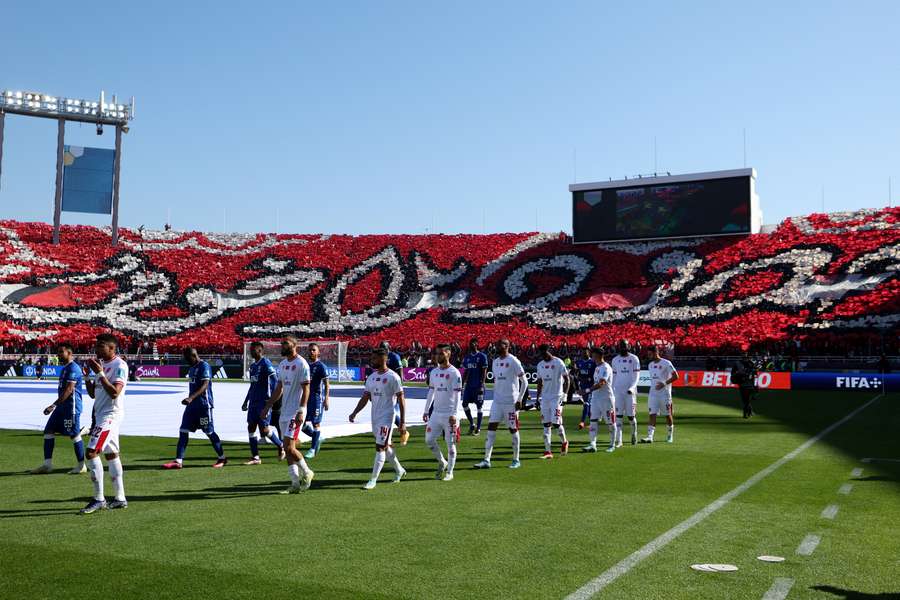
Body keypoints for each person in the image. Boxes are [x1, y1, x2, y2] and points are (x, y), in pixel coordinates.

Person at [80, 334, 129, 513]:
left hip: (111, 415)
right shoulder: (101, 365)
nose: (96, 348)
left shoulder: (119, 365)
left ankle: (99, 498)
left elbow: (115, 392)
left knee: (92, 452)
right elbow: (93, 394)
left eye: (101, 345)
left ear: (112, 348)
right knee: (111, 455)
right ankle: (120, 498)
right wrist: (87, 377)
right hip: (100, 414)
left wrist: (100, 373)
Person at [262, 336, 315, 493]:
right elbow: (279, 388)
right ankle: (295, 483)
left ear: (294, 345)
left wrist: (301, 409)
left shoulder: (301, 364)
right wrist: (268, 406)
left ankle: (307, 472)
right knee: (287, 447)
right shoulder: (283, 364)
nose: (282, 345)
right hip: (284, 411)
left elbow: (306, 388)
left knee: (289, 447)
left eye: (285, 343)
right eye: (282, 343)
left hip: (296, 411)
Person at [349, 347, 407, 490]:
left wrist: (403, 422)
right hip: (374, 416)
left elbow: (401, 399)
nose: (372, 360)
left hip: (387, 416)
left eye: (374, 358)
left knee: (380, 447)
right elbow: (365, 397)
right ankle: (399, 470)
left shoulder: (393, 377)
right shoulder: (371, 377)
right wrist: (355, 412)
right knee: (386, 446)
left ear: (383, 359)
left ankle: (373, 480)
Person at [162, 348, 227, 469]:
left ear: (193, 355)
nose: (186, 361)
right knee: (183, 430)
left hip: (203, 406)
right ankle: (178, 461)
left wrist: (191, 398)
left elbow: (205, 385)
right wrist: (190, 400)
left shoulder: (204, 366)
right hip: (192, 407)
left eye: (187, 359)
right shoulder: (192, 368)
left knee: (209, 432)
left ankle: (222, 457)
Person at [31, 342, 86, 475]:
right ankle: (47, 465)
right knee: (48, 431)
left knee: (74, 435)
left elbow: (68, 390)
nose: (59, 355)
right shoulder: (65, 368)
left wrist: (53, 405)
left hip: (71, 408)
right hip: (62, 407)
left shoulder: (74, 368)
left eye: (61, 352)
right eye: (58, 352)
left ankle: (81, 465)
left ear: (69, 353)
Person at [474, 339, 526, 470]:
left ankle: (516, 459)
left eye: (500, 345)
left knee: (513, 430)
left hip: (510, 402)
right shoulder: (495, 362)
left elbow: (524, 381)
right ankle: (486, 460)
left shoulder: (513, 361)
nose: (496, 347)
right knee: (491, 429)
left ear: (507, 346)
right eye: (496, 345)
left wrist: (519, 399)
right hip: (497, 401)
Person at [240, 341, 285, 464]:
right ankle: (255, 457)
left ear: (259, 351)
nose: (250, 352)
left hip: (263, 402)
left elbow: (276, 383)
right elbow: (252, 385)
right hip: (253, 402)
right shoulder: (253, 366)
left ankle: (281, 445)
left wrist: (272, 401)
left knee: (264, 430)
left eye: (252, 350)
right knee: (251, 427)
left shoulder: (266, 364)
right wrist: (246, 401)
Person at [423, 344, 461, 481]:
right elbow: (431, 391)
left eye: (441, 353)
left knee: (450, 443)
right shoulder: (434, 372)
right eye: (437, 353)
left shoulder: (454, 373)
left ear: (448, 354)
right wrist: (426, 410)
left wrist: (455, 414)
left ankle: (450, 472)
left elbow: (457, 395)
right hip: (436, 413)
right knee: (429, 439)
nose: (438, 356)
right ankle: (442, 461)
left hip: (449, 414)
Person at [534, 344, 570, 458]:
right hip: (545, 398)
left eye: (544, 353)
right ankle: (548, 451)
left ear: (549, 351)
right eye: (541, 354)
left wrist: (565, 396)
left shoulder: (558, 362)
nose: (543, 355)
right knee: (546, 424)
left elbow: (567, 379)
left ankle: (564, 441)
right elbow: (540, 382)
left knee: (556, 423)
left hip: (557, 397)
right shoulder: (540, 365)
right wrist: (537, 398)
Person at [641, 346, 678, 444]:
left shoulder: (666, 363)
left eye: (650, 354)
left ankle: (670, 435)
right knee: (652, 414)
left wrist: (664, 383)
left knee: (667, 415)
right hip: (653, 394)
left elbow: (676, 376)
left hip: (665, 394)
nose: (648, 356)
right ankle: (650, 437)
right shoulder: (650, 365)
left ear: (655, 352)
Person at [584, 347, 616, 453]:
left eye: (592, 354)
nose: (591, 356)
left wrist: (587, 390)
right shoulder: (597, 367)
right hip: (596, 398)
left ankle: (612, 444)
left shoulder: (606, 367)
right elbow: (596, 382)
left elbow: (602, 383)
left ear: (597, 355)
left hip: (606, 399)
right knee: (593, 420)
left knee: (610, 422)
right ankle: (593, 444)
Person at [301, 343, 330, 459]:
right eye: (310, 350)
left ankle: (312, 449)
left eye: (313, 350)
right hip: (306, 398)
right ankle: (317, 438)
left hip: (317, 399)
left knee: (316, 423)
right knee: (301, 424)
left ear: (318, 353)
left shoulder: (321, 366)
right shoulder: (306, 366)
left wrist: (326, 399)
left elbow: (327, 384)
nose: (311, 352)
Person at [611, 340, 641, 446]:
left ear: (629, 346)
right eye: (621, 345)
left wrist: (632, 388)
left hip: (630, 393)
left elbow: (636, 376)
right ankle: (619, 440)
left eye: (625, 345)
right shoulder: (615, 360)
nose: (623, 347)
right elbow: (614, 376)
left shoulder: (634, 359)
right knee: (618, 416)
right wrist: (611, 389)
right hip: (618, 392)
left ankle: (634, 434)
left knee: (631, 417)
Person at [379, 341, 409, 446]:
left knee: (392, 412)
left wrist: (399, 388)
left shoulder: (394, 357)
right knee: (385, 411)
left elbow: (400, 372)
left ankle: (401, 433)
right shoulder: (380, 357)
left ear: (388, 348)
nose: (382, 350)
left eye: (384, 348)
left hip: (394, 388)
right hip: (383, 388)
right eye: (381, 348)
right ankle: (394, 435)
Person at [460, 337, 488, 435]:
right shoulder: (467, 357)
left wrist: (482, 384)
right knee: (464, 404)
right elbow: (465, 372)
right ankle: (472, 423)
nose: (471, 345)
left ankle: (478, 429)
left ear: (477, 344)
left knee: (479, 407)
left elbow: (484, 371)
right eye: (470, 343)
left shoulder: (482, 356)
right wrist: (462, 385)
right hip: (469, 386)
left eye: (473, 343)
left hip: (478, 386)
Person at [574, 348, 596, 430]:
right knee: (588, 404)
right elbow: (577, 374)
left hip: (591, 386)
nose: (584, 354)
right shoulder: (579, 362)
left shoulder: (592, 362)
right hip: (583, 386)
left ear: (589, 353)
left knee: (586, 403)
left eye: (586, 353)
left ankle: (582, 421)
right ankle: (592, 422)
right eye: (583, 353)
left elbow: (595, 374)